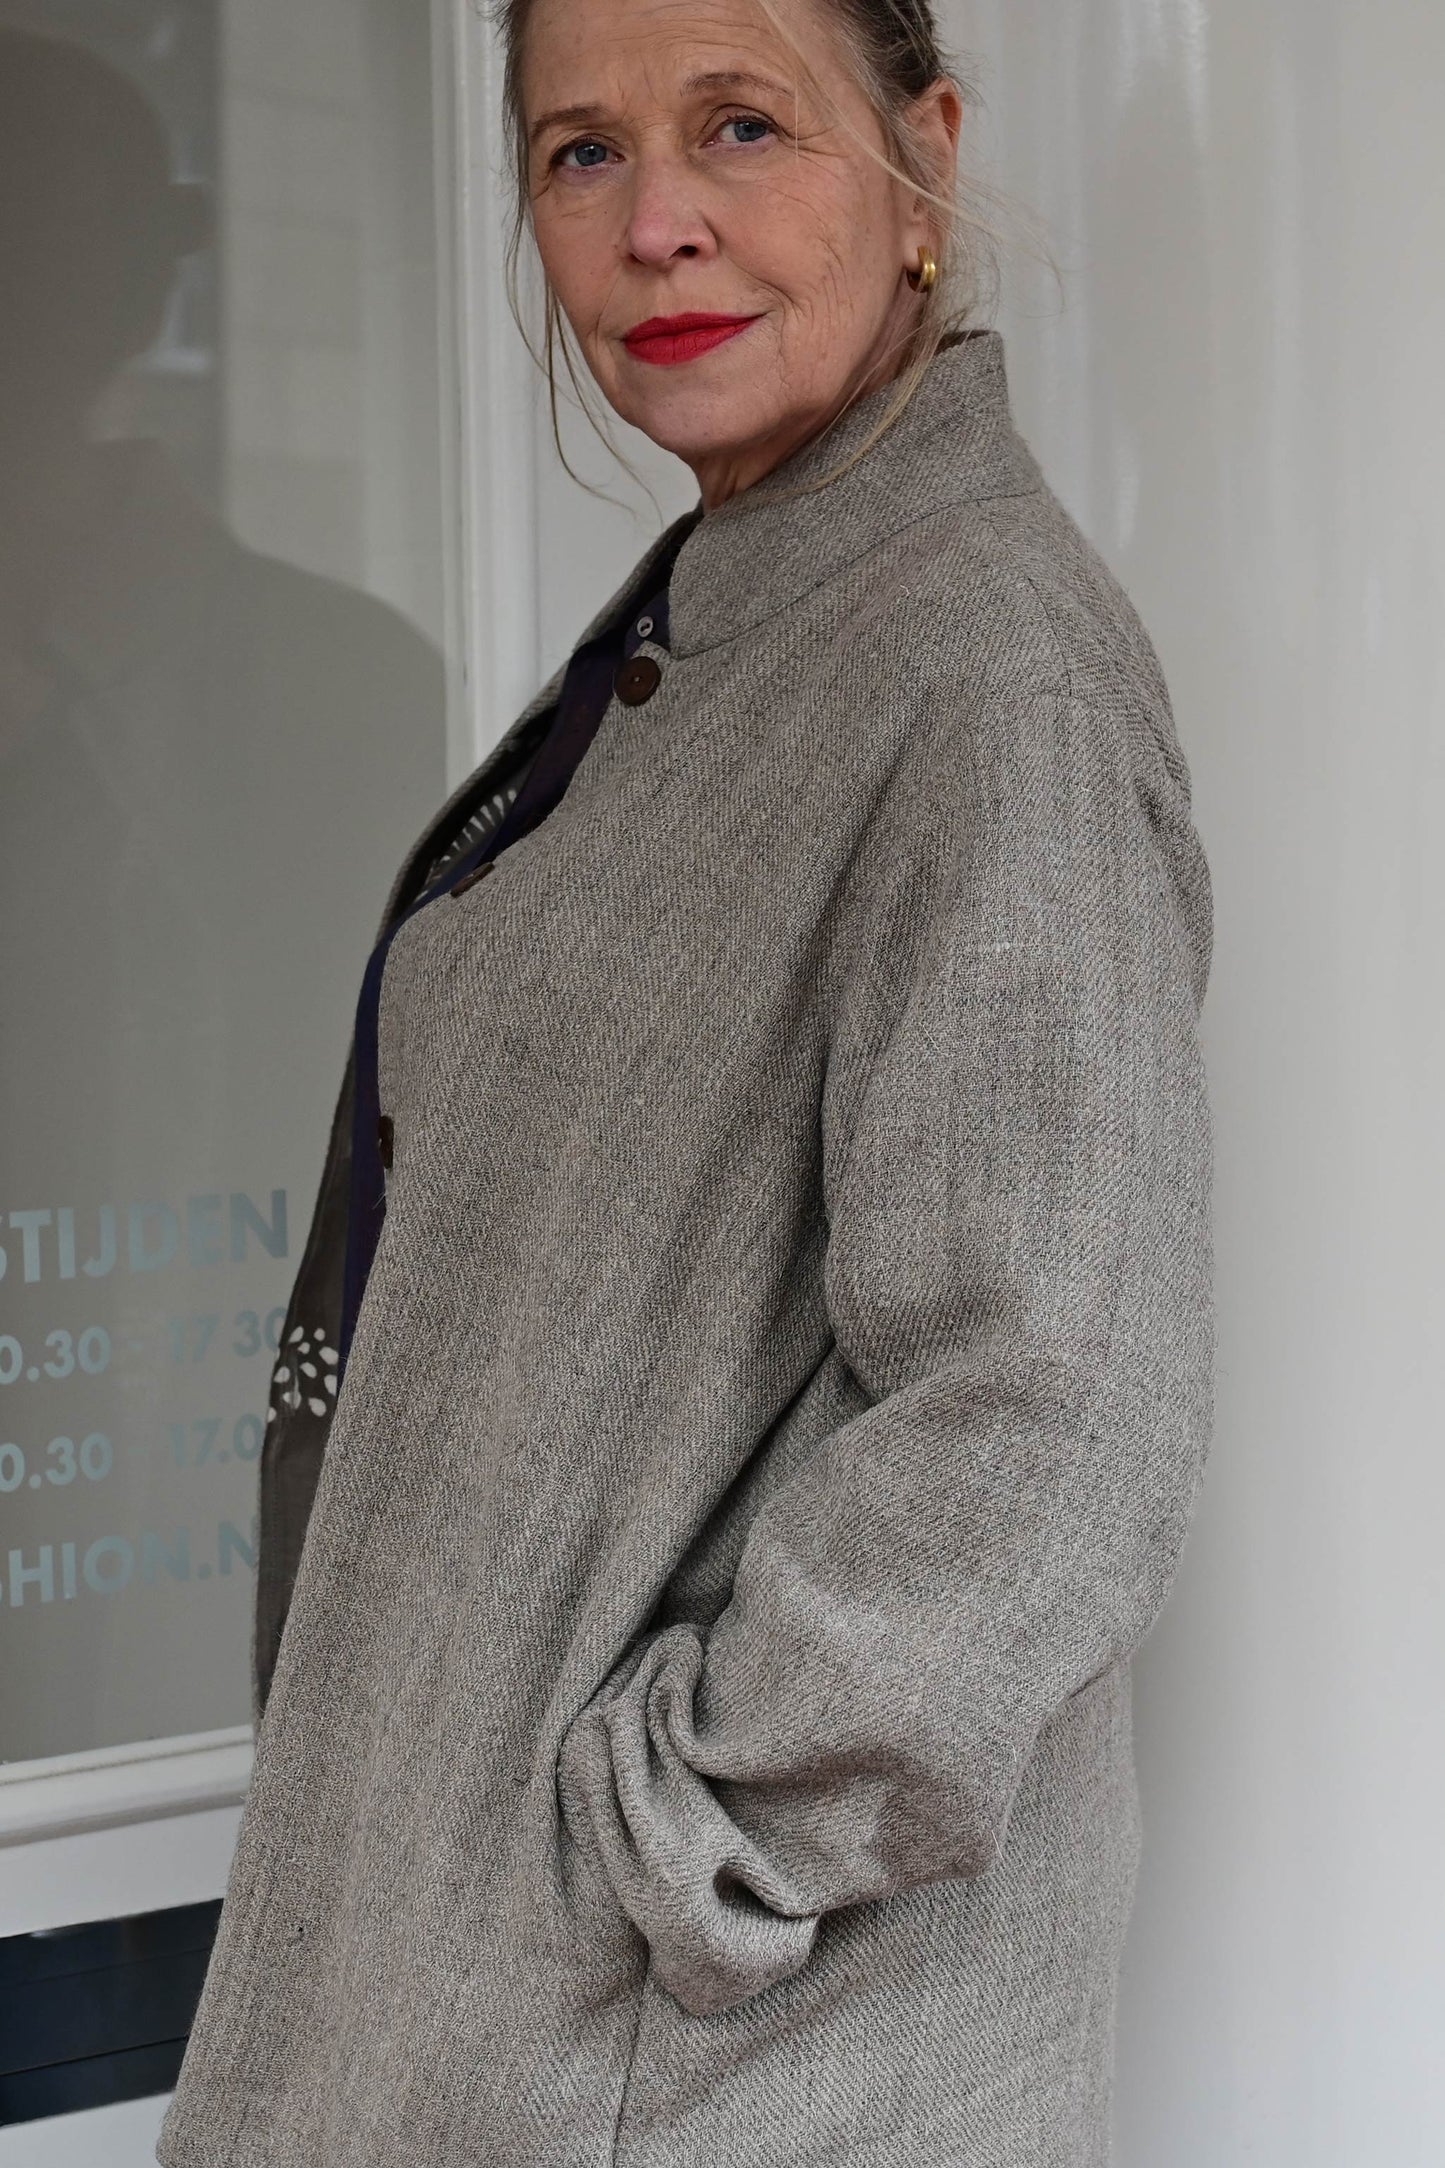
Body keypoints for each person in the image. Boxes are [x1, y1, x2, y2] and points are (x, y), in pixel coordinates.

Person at [158, 0, 1215, 2162]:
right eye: (580, 153)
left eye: (742, 125)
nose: (658, 225)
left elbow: (1046, 1405)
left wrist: (635, 1851)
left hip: (713, 2081)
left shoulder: (981, 660)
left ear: (920, 159)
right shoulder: (733, 619)